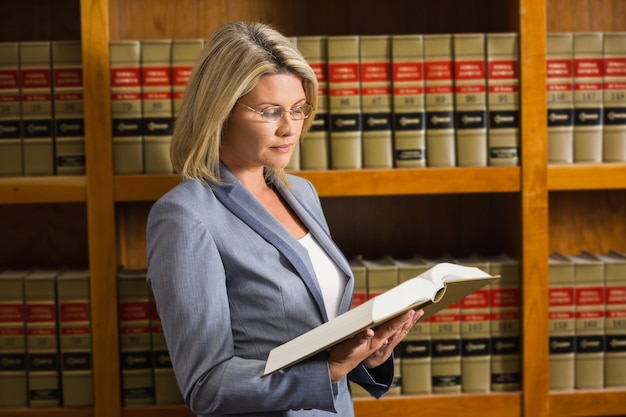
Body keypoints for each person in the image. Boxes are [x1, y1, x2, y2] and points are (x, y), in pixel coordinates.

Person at [146, 21, 422, 417]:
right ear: (219, 111)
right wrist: (327, 371)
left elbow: (315, 335)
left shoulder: (300, 193)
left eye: (297, 109)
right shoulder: (185, 216)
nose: (289, 127)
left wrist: (366, 354)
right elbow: (206, 385)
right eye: (270, 111)